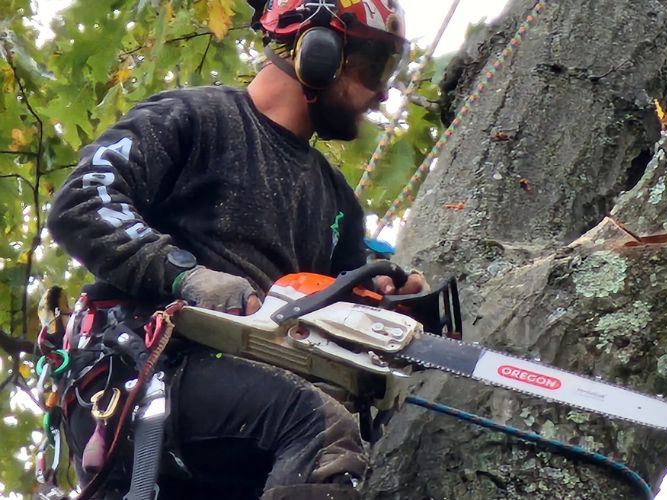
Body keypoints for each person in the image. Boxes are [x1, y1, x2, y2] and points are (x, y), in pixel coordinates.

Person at [45, 1, 424, 498]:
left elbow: (339, 310)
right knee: (321, 430)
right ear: (318, 53)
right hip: (146, 370)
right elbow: (82, 201)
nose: (382, 93)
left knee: (325, 444)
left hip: (249, 418)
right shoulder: (192, 118)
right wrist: (186, 275)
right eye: (374, 66)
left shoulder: (337, 202)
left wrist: (385, 300)